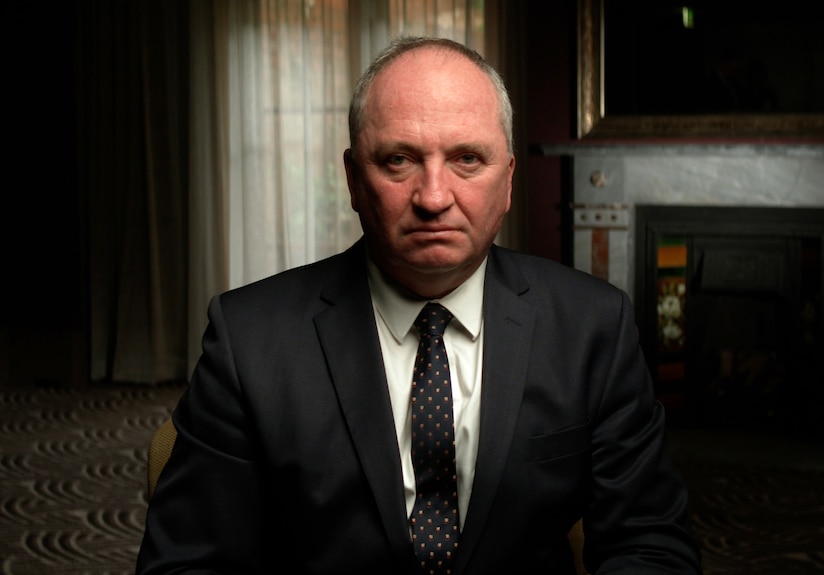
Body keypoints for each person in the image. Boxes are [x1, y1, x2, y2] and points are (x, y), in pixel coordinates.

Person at [137, 36, 702, 574]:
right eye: (399, 160)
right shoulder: (249, 339)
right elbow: (188, 561)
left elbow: (650, 544)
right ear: (355, 181)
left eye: (467, 160)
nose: (433, 197)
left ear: (507, 182)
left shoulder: (593, 327)